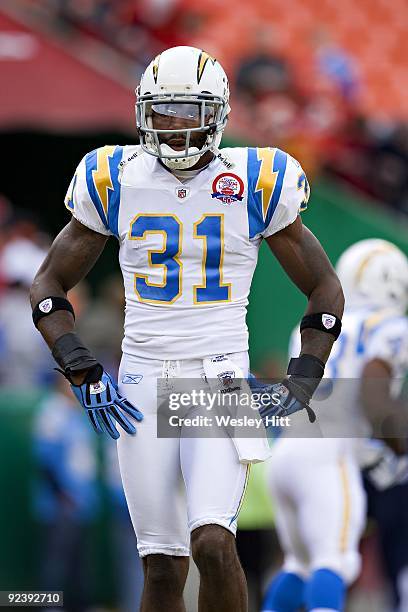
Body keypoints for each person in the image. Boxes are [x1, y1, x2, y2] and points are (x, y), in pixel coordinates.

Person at [30, 45, 343, 612]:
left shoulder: (254, 179)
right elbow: (48, 288)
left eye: (187, 111)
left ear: (217, 115)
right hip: (142, 380)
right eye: (162, 111)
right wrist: (81, 367)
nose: (173, 128)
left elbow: (324, 291)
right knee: (160, 565)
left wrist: (302, 377)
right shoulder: (115, 176)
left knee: (215, 542)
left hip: (217, 378)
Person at [262, 238, 408, 612]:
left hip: (287, 452)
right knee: (335, 560)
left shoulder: (307, 325)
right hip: (329, 455)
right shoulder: (390, 328)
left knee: (299, 565)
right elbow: (374, 400)